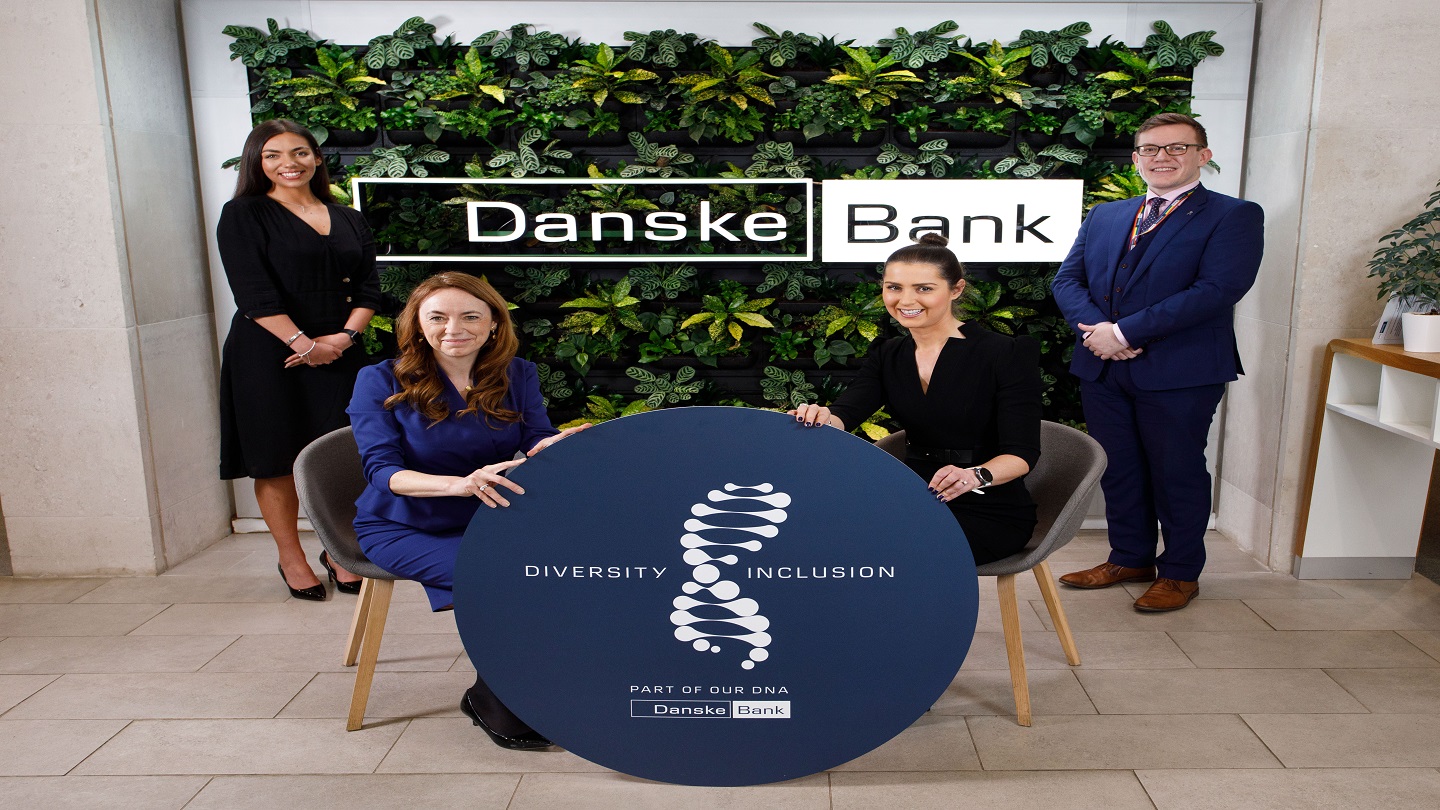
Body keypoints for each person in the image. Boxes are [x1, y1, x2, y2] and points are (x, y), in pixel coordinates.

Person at [348, 272, 588, 750]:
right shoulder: (378, 379)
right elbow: (383, 472)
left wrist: (557, 445)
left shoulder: (517, 373)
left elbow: (532, 438)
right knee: (503, 579)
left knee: (569, 570)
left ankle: (541, 682)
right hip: (402, 522)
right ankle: (494, 697)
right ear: (417, 325)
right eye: (437, 316)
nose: (453, 327)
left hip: (493, 514)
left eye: (470, 316)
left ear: (494, 324)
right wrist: (458, 485)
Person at [1050, 112, 1264, 612]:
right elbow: (1067, 281)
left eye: (1176, 148)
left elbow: (1218, 290)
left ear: (1202, 156)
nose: (1161, 157)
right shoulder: (1106, 215)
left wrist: (1123, 332)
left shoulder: (1233, 215)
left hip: (1181, 372)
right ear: (1135, 158)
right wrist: (1101, 335)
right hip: (1103, 367)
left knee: (1177, 472)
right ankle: (1129, 558)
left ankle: (1181, 572)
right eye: (1150, 149)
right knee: (1119, 469)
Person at [791, 234, 1042, 566]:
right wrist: (820, 417)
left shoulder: (1004, 353)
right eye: (893, 287)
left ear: (956, 289)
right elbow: (845, 414)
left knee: (884, 554)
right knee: (816, 535)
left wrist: (974, 475)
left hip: (987, 508)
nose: (905, 300)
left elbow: (1021, 454)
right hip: (911, 498)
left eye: (924, 288)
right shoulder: (888, 354)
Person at [218, 119, 379, 600]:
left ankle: (338, 549)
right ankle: (292, 557)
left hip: (342, 351)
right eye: (273, 155)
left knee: (344, 455)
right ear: (257, 162)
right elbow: (253, 293)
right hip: (269, 352)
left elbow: (370, 287)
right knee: (275, 458)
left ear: (317, 158)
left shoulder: (347, 216)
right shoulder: (244, 213)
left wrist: (343, 340)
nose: (289, 163)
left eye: (300, 152)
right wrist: (305, 345)